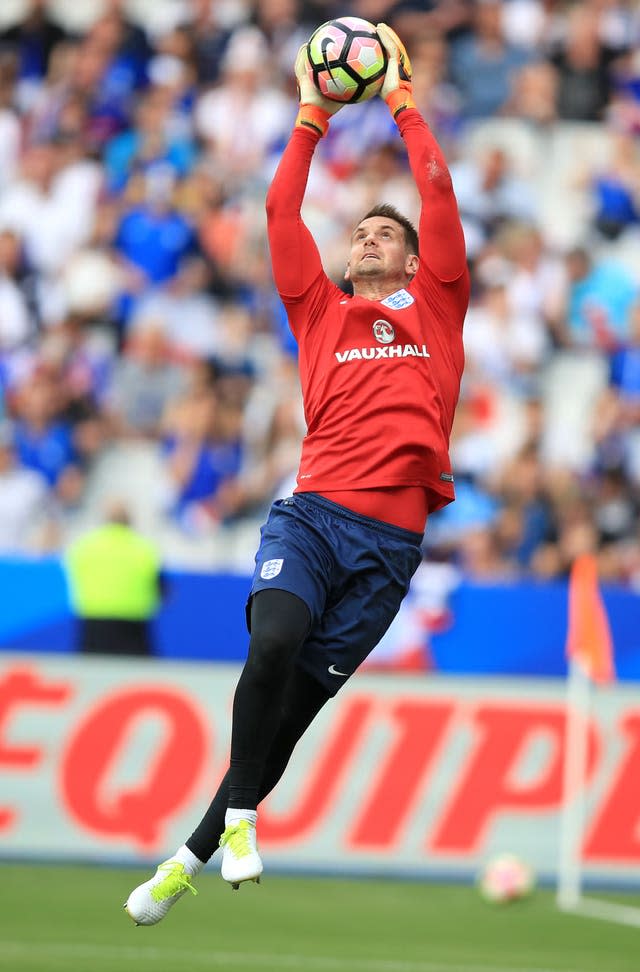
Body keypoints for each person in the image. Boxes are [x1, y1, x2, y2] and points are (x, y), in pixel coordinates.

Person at [125, 23, 469, 925]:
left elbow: (433, 187)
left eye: (384, 234)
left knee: (291, 716)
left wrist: (398, 95)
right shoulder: (317, 311)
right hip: (312, 518)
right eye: (360, 230)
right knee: (272, 646)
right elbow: (280, 216)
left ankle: (189, 853)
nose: (368, 238)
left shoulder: (437, 304)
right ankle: (238, 820)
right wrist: (311, 115)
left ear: (411, 258)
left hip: (389, 546)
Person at [65, 499, 163, 656]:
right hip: (133, 623)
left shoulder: (85, 546)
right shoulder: (143, 547)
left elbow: (74, 576)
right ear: (130, 520)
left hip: (93, 621)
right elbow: (160, 586)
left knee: (93, 674)